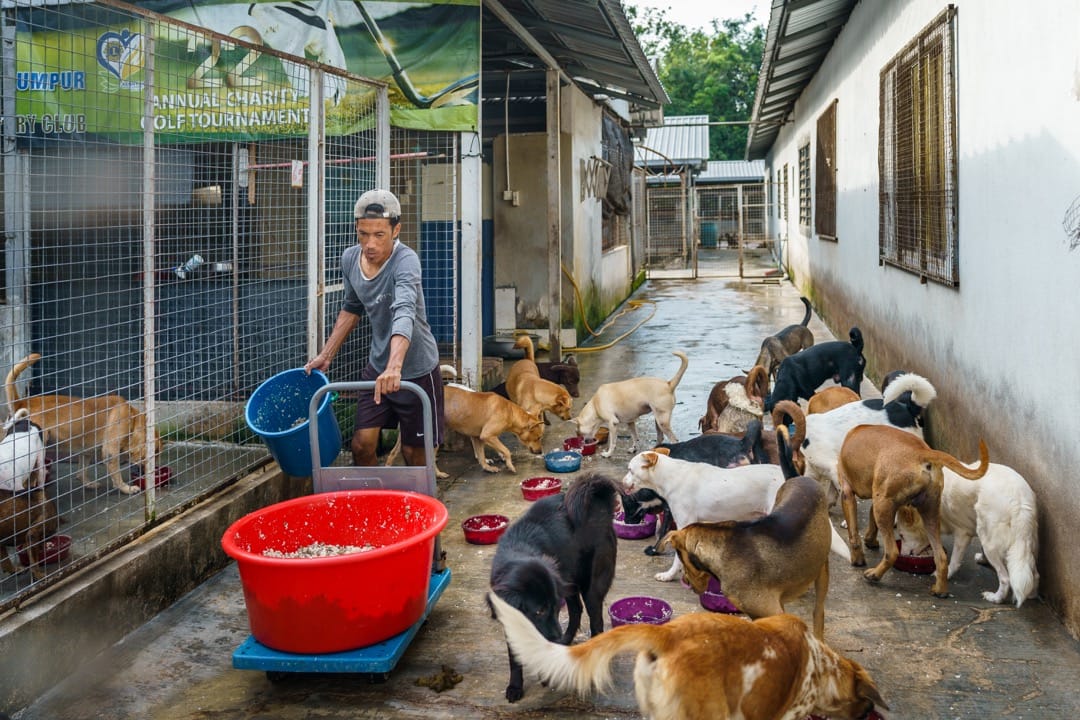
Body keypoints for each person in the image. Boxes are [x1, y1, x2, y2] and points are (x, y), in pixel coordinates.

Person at [304, 189, 444, 467]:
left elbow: (404, 311)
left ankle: (417, 509)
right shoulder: (349, 259)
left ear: (396, 230)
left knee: (415, 455)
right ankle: (374, 505)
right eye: (363, 234)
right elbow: (352, 307)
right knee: (361, 445)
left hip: (416, 369)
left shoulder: (406, 261)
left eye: (379, 234)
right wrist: (327, 354)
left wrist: (395, 367)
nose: (369, 244)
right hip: (378, 365)